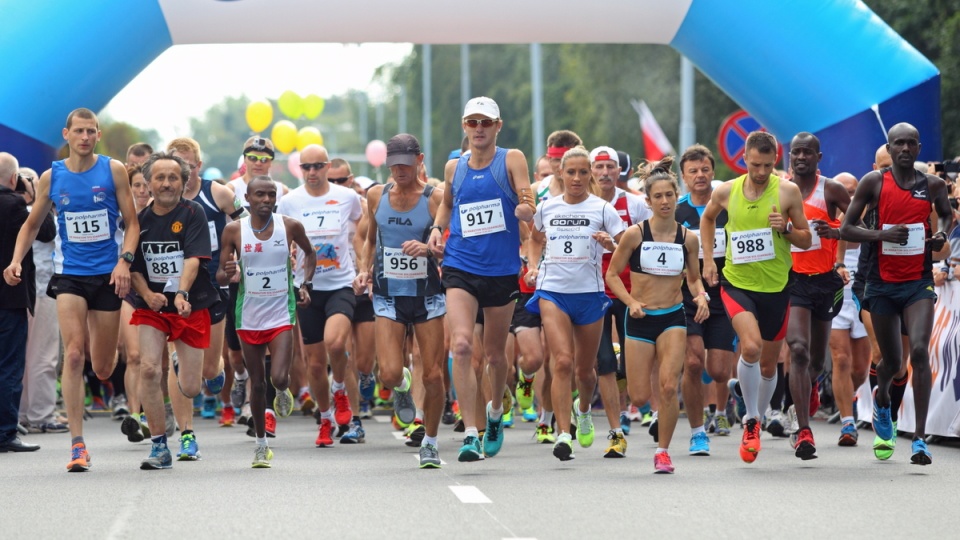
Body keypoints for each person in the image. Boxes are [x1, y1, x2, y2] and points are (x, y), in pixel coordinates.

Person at [5, 108, 139, 471]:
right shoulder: (52, 177)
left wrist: (124, 261)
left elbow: (132, 224)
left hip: (107, 276)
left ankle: (107, 384)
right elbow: (31, 225)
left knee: (104, 364)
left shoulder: (113, 171)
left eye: (91, 131)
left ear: (98, 135)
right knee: (75, 354)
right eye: (78, 131)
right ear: (66, 134)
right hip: (70, 276)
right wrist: (16, 259)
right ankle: (78, 445)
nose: (84, 137)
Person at [839, 122, 954, 465]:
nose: (904, 149)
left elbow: (947, 216)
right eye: (898, 144)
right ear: (889, 149)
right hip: (881, 284)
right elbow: (847, 227)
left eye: (910, 144)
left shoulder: (932, 185)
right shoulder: (874, 182)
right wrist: (881, 237)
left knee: (919, 351)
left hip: (918, 283)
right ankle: (883, 401)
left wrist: (942, 236)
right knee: (890, 362)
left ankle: (919, 439)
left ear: (919, 148)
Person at [427, 96, 535, 462]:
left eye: (485, 123)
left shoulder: (512, 158)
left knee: (495, 356)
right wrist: (438, 229)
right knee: (460, 346)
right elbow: (447, 202)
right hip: (459, 264)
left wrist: (525, 207)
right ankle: (470, 433)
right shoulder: (454, 167)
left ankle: (494, 413)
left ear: (497, 126)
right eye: (472, 122)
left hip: (501, 269)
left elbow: (527, 196)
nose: (478, 129)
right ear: (464, 126)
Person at [700, 131, 811, 464]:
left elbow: (806, 240)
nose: (761, 172)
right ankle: (751, 420)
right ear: (744, 159)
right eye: (755, 164)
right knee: (750, 346)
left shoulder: (788, 191)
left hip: (776, 286)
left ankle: (757, 415)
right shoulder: (727, 190)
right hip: (737, 283)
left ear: (776, 160)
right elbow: (707, 219)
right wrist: (708, 259)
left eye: (767, 165)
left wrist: (787, 230)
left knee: (768, 363)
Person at [605, 157, 710, 473]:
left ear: (676, 196)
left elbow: (693, 277)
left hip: (673, 318)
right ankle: (631, 391)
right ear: (648, 201)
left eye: (669, 195)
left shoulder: (687, 238)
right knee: (638, 395)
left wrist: (701, 296)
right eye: (658, 197)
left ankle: (663, 452)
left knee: (667, 386)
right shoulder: (635, 234)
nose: (665, 202)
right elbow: (612, 275)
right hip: (639, 319)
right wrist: (630, 301)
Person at [525, 146, 625, 461]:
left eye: (584, 172)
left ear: (591, 174)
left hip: (590, 295)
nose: (578, 178)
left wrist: (612, 244)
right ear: (561, 174)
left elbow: (627, 242)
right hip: (553, 291)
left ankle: (583, 410)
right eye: (571, 172)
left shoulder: (603, 209)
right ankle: (564, 434)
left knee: (585, 370)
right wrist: (532, 265)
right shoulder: (547, 208)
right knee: (562, 362)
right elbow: (535, 238)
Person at [354, 133, 447, 467]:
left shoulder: (435, 199)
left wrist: (429, 250)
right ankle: (403, 387)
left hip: (427, 295)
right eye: (394, 165)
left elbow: (449, 248)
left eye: (405, 164)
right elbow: (368, 239)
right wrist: (364, 270)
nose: (399, 170)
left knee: (434, 375)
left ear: (419, 160)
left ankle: (431, 442)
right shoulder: (377, 194)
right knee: (390, 373)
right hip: (388, 293)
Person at [127, 152, 220, 470]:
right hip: (153, 307)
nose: (166, 183)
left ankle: (198, 364)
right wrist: (146, 293)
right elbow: (134, 267)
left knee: (192, 386)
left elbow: (193, 258)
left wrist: (180, 293)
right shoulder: (138, 221)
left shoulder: (193, 213)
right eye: (160, 178)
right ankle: (158, 447)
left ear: (183, 181)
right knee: (149, 369)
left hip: (190, 305)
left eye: (173, 178)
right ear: (149, 183)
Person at [218, 175, 315, 468]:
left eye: (271, 195)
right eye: (260, 195)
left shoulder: (290, 226)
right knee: (257, 384)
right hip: (248, 315)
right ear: (247, 198)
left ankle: (284, 389)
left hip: (281, 312)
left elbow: (310, 254)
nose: (266, 200)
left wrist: (304, 284)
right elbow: (221, 276)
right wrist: (228, 269)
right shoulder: (234, 231)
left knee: (279, 378)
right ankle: (261, 445)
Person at [277, 144, 362, 447]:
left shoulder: (348, 198)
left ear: (327, 167)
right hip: (306, 287)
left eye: (318, 166)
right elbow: (283, 239)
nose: (312, 172)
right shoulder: (289, 202)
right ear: (300, 170)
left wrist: (363, 263)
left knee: (336, 342)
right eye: (307, 167)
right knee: (314, 364)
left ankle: (339, 389)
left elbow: (362, 230)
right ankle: (325, 419)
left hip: (341, 283)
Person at [167, 137, 242, 456]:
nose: (181, 171)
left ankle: (219, 372)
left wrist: (238, 261)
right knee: (181, 366)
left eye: (186, 164)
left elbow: (245, 227)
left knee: (209, 371)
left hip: (212, 287)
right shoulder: (163, 198)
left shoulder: (219, 194)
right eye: (175, 165)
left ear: (198, 165)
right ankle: (186, 434)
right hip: (173, 288)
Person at [781, 132, 851, 459]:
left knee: (815, 361)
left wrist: (836, 231)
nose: (801, 157)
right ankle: (804, 431)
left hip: (824, 281)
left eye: (808, 152)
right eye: (796, 152)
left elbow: (860, 224)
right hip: (791, 279)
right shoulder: (779, 189)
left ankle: (809, 391)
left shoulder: (832, 189)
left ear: (818, 157)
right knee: (798, 349)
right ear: (789, 156)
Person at [674, 144, 737, 455]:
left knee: (720, 369)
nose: (700, 175)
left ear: (713, 172)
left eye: (704, 170)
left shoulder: (728, 205)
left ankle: (723, 409)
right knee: (693, 362)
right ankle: (698, 431)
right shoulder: (676, 211)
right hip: (686, 294)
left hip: (723, 291)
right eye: (693, 171)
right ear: (684, 178)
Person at [591, 145, 651, 457]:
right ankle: (615, 432)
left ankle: (634, 407)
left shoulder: (636, 205)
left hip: (630, 293)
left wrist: (617, 243)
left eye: (610, 167)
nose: (604, 173)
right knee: (602, 362)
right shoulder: (581, 206)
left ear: (619, 171)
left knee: (629, 364)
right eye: (598, 167)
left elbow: (652, 243)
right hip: (594, 292)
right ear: (592, 172)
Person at [1, 153, 56, 452]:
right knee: (11, 363)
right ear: (14, 179)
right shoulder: (14, 204)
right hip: (11, 295)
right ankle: (8, 431)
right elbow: (47, 231)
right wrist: (37, 197)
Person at [17, 166, 67, 434]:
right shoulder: (39, 214)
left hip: (17, 292)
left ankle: (21, 412)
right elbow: (49, 234)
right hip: (40, 290)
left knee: (20, 355)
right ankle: (42, 414)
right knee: (44, 355)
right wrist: (39, 199)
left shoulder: (8, 209)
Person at [829, 172, 871, 446]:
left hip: (864, 295)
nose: (849, 197)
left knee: (860, 369)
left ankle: (848, 396)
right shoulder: (826, 223)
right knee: (841, 360)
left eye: (853, 191)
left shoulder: (870, 225)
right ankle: (847, 423)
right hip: (836, 297)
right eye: (843, 192)